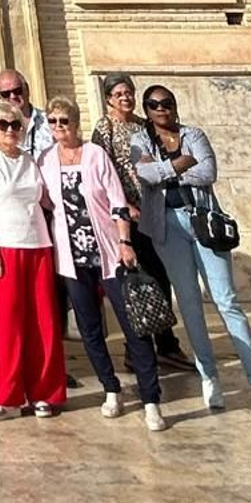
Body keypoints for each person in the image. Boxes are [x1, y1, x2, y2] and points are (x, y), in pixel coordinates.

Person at [128, 85, 251, 415]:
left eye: (166, 103)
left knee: (226, 301)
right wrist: (180, 166)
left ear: (174, 105)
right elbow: (145, 174)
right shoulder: (140, 141)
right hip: (167, 229)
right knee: (190, 305)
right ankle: (209, 377)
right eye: (153, 105)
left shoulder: (193, 134)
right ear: (147, 110)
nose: (161, 109)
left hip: (204, 224)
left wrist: (165, 172)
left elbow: (208, 172)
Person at [39, 99, 164, 432]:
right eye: (52, 121)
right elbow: (45, 202)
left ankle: (151, 398)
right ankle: (111, 388)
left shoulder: (95, 154)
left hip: (109, 252)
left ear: (76, 122)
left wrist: (125, 241)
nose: (58, 127)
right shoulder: (46, 161)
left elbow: (116, 199)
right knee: (89, 328)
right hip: (72, 258)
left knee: (133, 324)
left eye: (63, 120)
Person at [0, 100, 65, 419]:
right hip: (6, 246)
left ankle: (45, 393)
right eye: (3, 125)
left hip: (38, 244)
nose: (11, 130)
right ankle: (8, 397)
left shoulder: (30, 160)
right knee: (9, 323)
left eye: (16, 125)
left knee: (44, 321)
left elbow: (47, 199)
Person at [90, 73, 190, 369]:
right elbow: (103, 172)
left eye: (129, 92)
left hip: (154, 209)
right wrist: (125, 207)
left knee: (160, 277)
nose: (125, 97)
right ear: (108, 97)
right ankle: (142, 346)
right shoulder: (104, 128)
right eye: (119, 93)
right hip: (128, 215)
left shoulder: (142, 125)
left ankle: (163, 341)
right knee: (140, 281)